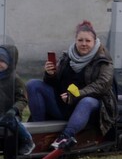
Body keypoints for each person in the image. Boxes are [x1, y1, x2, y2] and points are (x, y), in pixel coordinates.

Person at [25, 20, 117, 150]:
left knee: (87, 101)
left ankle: (66, 136)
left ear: (94, 42)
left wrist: (76, 94)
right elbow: (54, 84)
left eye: (87, 41)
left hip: (91, 111)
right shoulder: (66, 56)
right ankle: (39, 132)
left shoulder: (104, 61)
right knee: (33, 84)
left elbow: (101, 86)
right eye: (80, 40)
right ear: (75, 41)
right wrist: (50, 74)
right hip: (63, 104)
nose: (84, 44)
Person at [0, 44, 35, 158]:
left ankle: (27, 140)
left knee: (13, 122)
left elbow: (22, 100)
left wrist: (14, 110)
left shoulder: (15, 80)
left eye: (2, 61)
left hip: (9, 114)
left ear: (10, 63)